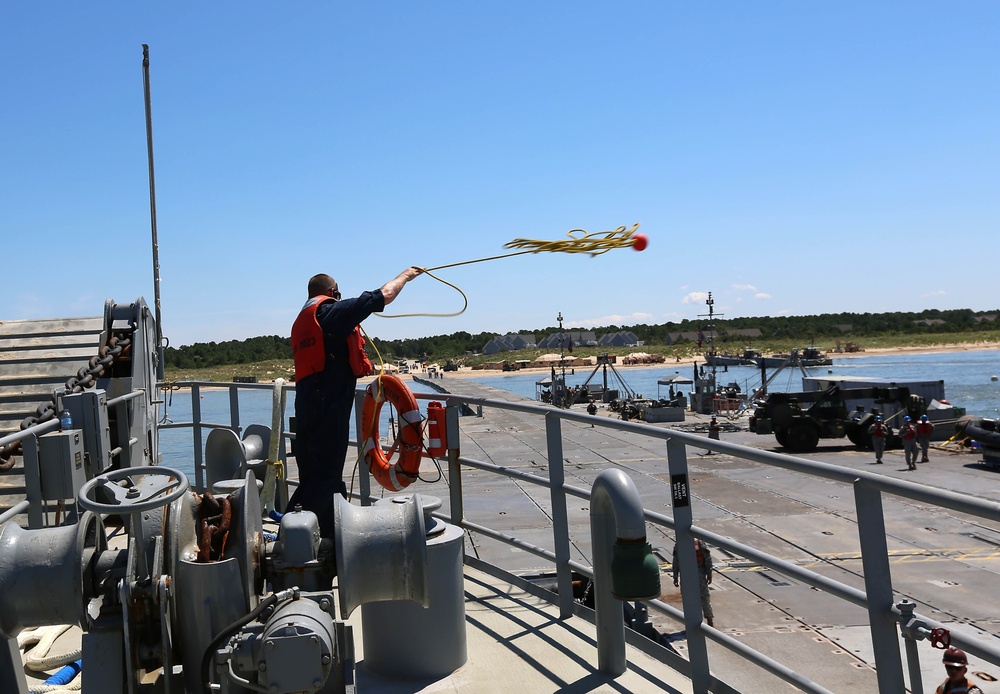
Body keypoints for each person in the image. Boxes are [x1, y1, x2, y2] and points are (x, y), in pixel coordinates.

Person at [286, 268, 421, 536]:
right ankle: (292, 539)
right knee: (324, 476)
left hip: (305, 408)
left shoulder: (304, 319)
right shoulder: (331, 313)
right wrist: (407, 275)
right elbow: (384, 295)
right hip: (327, 407)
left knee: (317, 475)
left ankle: (328, 536)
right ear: (334, 293)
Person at [672, 538, 714, 627]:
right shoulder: (699, 543)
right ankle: (709, 620)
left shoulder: (679, 544)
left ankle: (691, 621)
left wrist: (675, 576)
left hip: (686, 574)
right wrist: (709, 574)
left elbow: (676, 561)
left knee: (688, 599)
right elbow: (707, 559)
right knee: (704, 597)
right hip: (699, 573)